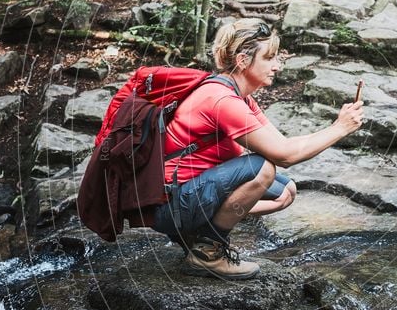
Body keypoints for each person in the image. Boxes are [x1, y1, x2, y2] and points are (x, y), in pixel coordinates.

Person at [152, 18, 364, 280]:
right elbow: (284, 156)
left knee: (284, 192)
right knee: (263, 169)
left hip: (185, 197)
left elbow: (282, 144)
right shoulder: (221, 100)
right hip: (169, 206)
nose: (277, 66)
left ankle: (200, 231)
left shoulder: (240, 97)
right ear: (242, 60)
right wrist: (340, 129)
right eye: (269, 58)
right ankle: (207, 252)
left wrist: (336, 126)